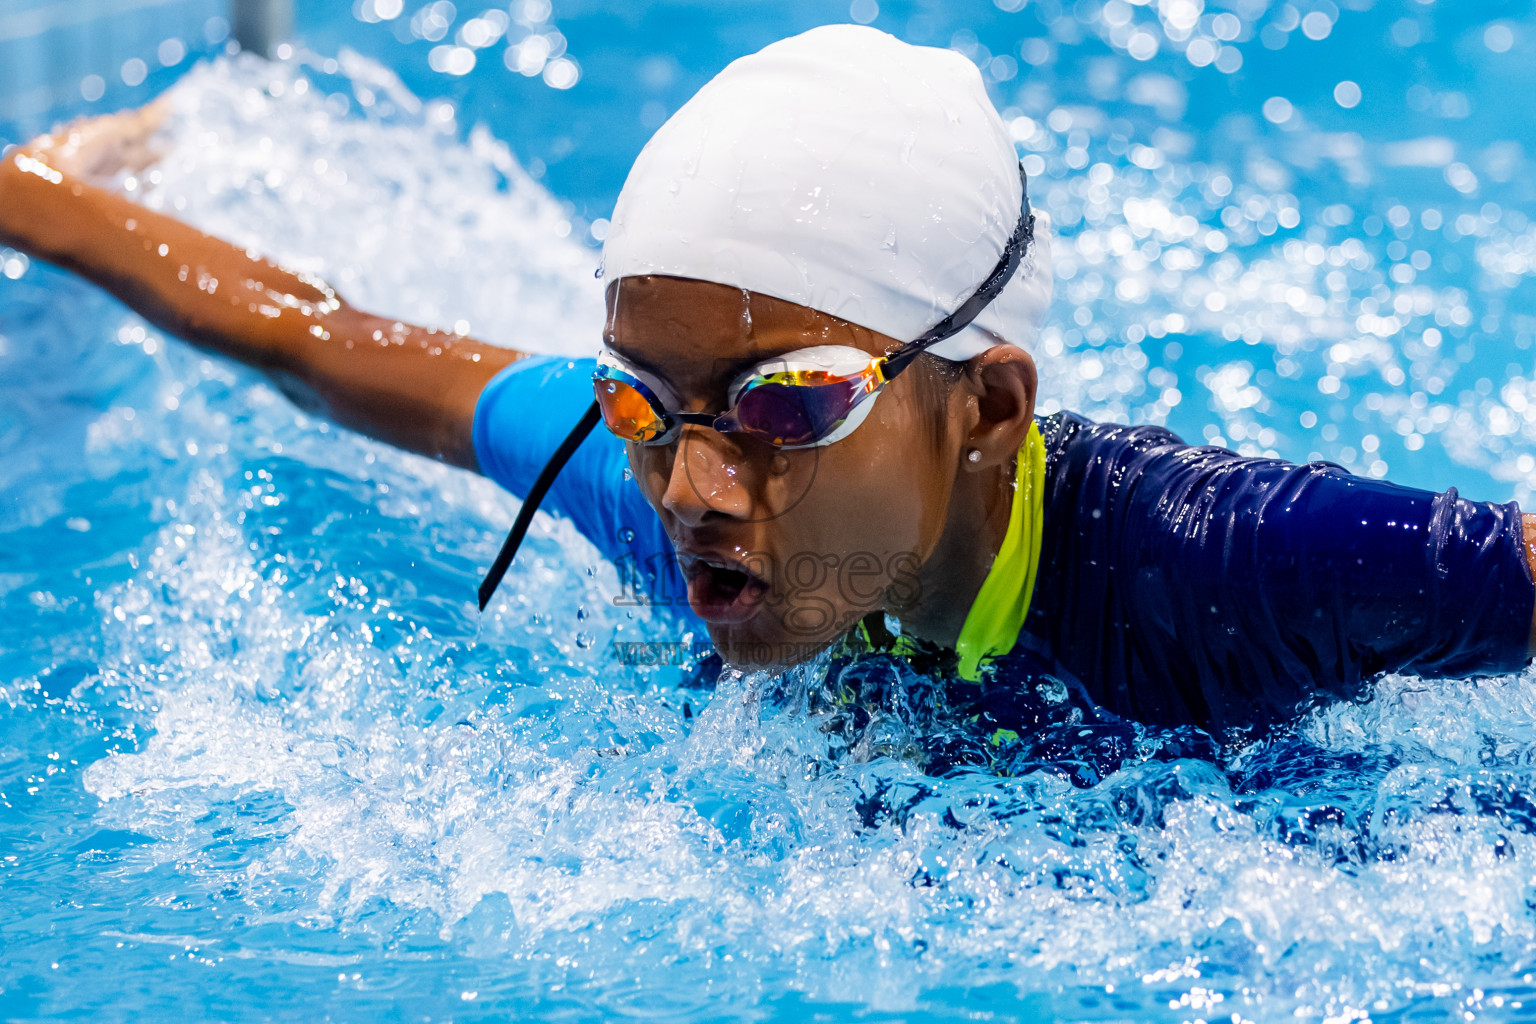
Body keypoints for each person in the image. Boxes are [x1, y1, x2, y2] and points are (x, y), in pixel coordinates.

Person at [1, 25, 1532, 742]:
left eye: (787, 404)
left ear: (988, 406)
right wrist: (34, 198)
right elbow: (314, 337)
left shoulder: (1225, 564)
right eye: (645, 401)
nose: (693, 487)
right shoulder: (651, 478)